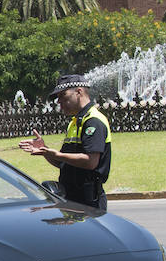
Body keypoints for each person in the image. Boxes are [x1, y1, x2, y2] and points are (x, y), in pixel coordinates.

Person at [19, 74, 112, 210]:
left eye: (63, 95)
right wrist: (45, 150)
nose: (59, 101)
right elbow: (64, 163)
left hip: (89, 201)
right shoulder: (75, 122)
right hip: (70, 197)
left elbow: (91, 162)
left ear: (79, 92)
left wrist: (56, 154)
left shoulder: (93, 121)